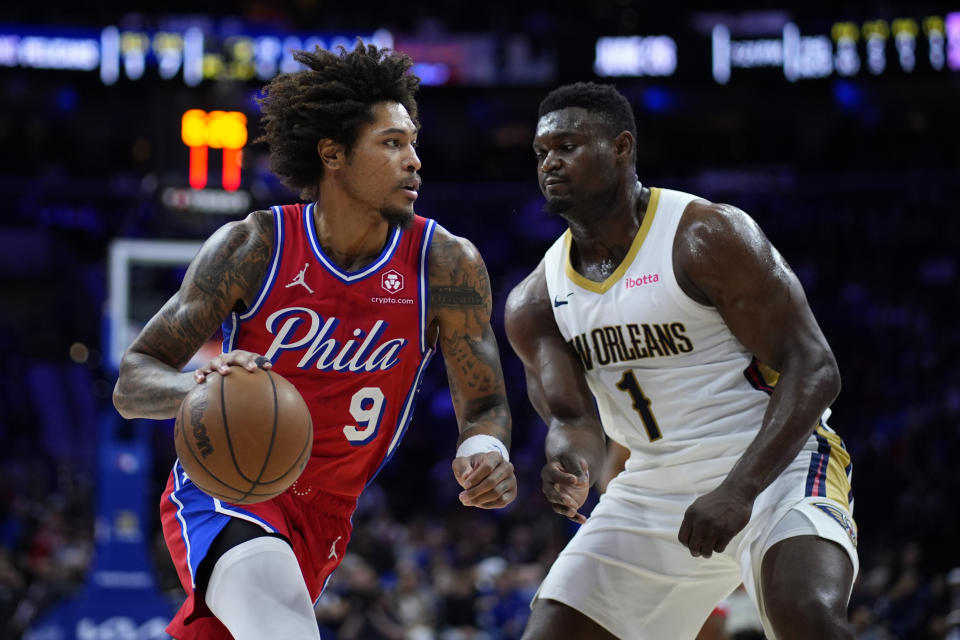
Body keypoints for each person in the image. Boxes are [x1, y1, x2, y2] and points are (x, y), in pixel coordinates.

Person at [113, 42, 517, 640]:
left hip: (328, 514)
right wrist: (200, 390)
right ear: (332, 154)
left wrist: (486, 449)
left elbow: (484, 403)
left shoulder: (445, 265)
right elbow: (133, 379)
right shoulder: (254, 247)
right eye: (391, 144)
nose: (414, 162)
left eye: (413, 143)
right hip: (227, 489)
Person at [505, 81, 858, 640]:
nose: (550, 162)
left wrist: (739, 489)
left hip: (773, 465)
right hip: (651, 484)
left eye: (568, 146)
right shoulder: (535, 301)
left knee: (805, 615)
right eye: (542, 152)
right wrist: (569, 465)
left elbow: (814, 367)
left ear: (621, 147)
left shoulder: (704, 234)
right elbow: (572, 421)